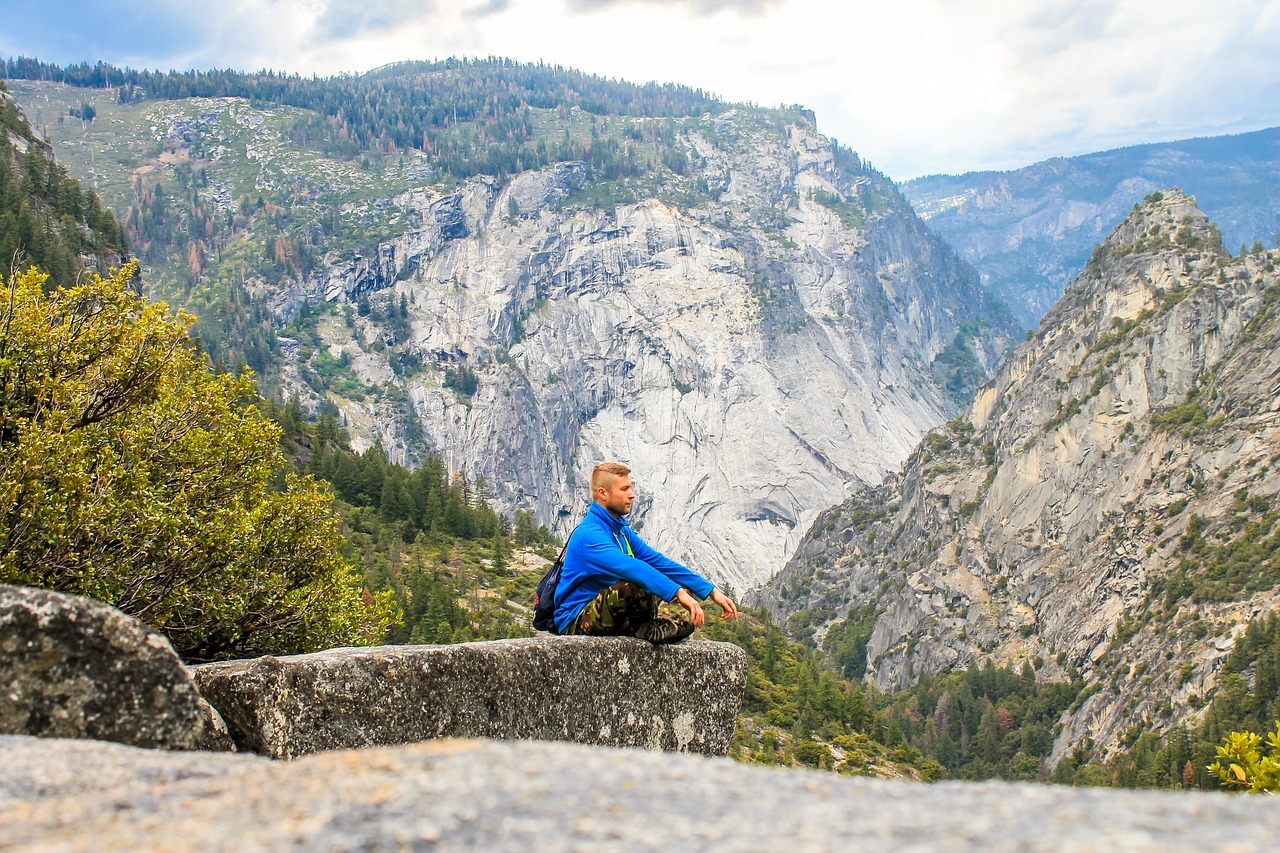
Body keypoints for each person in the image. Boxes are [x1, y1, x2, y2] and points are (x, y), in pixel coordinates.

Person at [553, 462, 738, 643]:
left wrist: (711, 591)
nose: (632, 495)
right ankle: (649, 627)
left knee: (682, 604)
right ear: (603, 493)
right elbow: (631, 567)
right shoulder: (589, 535)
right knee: (633, 584)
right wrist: (679, 593)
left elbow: (657, 562)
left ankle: (652, 627)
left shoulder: (620, 530)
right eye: (624, 489)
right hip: (576, 619)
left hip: (611, 614)